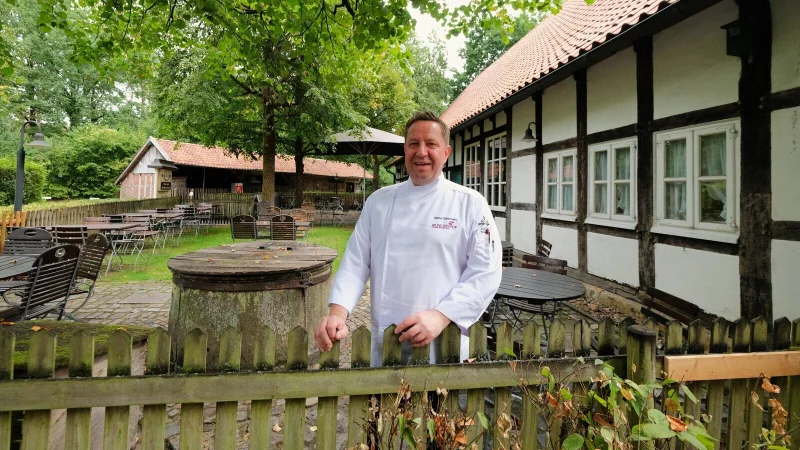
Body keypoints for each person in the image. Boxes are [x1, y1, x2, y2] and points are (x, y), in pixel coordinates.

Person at [314, 111, 502, 366]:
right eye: (414, 144)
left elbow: (485, 271)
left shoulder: (471, 204)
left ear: (446, 152)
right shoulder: (378, 203)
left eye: (431, 144)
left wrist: (441, 315)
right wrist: (338, 313)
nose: (421, 152)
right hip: (387, 345)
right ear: (405, 150)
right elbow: (356, 263)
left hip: (445, 347)